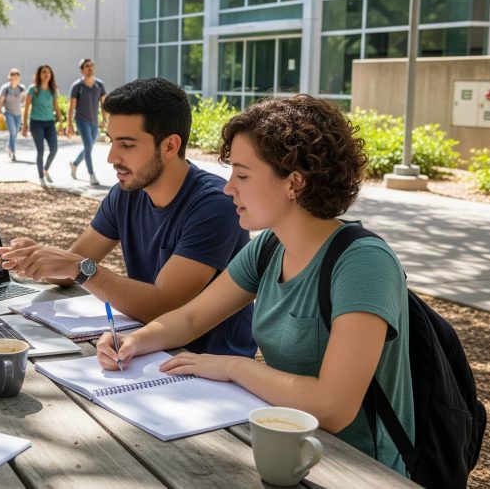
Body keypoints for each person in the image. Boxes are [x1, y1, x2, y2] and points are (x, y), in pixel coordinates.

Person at [95, 95, 414, 475]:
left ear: (295, 183)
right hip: (284, 446)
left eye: (242, 175)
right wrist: (134, 340)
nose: (229, 188)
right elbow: (193, 317)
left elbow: (332, 407)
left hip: (358, 470)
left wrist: (233, 367)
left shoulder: (363, 264)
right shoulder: (270, 246)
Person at [0, 78, 254, 358]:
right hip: (142, 350)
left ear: (170, 146)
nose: (111, 157)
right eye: (111, 141)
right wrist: (40, 260)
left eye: (127, 145)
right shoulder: (127, 193)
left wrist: (79, 268)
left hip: (209, 368)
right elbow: (74, 267)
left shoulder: (215, 204)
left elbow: (164, 304)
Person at [67, 58, 108, 186]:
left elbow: (104, 104)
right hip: (81, 120)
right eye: (86, 66)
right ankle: (92, 175)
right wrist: (69, 124)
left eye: (91, 66)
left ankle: (74, 164)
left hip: (94, 122)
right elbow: (71, 106)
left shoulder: (99, 85)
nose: (90, 68)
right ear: (82, 69)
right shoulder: (77, 86)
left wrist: (105, 119)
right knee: (88, 147)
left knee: (88, 148)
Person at [22, 65, 61, 187]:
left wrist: (61, 123)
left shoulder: (53, 90)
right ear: (39, 75)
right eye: (44, 72)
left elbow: (56, 107)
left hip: (49, 123)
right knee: (41, 151)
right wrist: (24, 126)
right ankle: (41, 176)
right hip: (36, 123)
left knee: (54, 149)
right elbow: (27, 108)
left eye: (48, 72)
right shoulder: (33, 89)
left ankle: (45, 169)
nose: (46, 74)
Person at [0, 68, 26, 161]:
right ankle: (13, 153)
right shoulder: (5, 88)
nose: (15, 77)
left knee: (15, 133)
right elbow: (0, 101)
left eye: (17, 75)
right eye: (13, 75)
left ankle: (9, 147)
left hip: (18, 114)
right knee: (13, 132)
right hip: (9, 113)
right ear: (10, 76)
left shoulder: (22, 88)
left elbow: (24, 99)